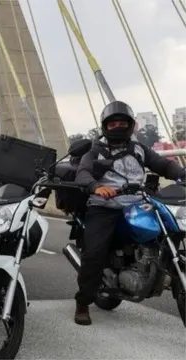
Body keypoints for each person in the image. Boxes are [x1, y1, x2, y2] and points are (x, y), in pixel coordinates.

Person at [74, 100, 185, 326]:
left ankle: (154, 266)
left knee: (170, 227)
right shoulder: (95, 149)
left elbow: (164, 166)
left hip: (136, 204)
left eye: (121, 123)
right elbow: (82, 173)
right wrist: (96, 187)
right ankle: (83, 302)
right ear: (105, 126)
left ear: (131, 125)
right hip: (104, 206)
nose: (117, 126)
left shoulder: (139, 149)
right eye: (112, 123)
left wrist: (182, 173)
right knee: (94, 254)